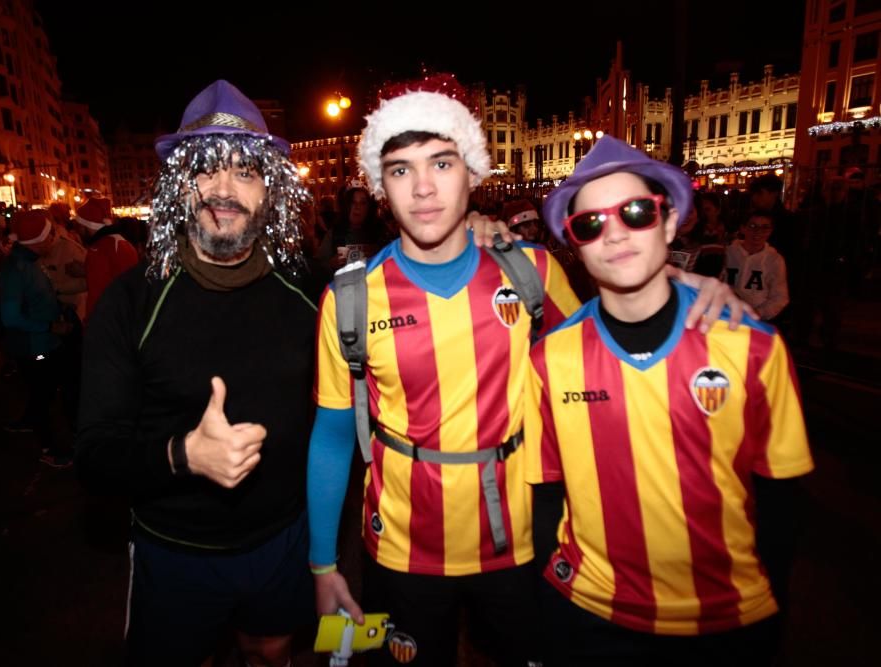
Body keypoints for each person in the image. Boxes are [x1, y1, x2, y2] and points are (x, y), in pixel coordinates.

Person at [307, 76, 747, 666]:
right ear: (380, 187)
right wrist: (322, 566)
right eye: (401, 170)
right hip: (399, 551)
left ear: (473, 172)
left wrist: (673, 284)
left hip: (524, 542)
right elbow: (333, 434)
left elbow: (614, 336)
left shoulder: (531, 272)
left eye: (442, 162)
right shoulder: (351, 298)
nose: (424, 188)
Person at [527, 136, 813, 665]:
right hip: (589, 617)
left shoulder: (753, 346)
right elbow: (545, 494)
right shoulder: (549, 359)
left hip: (727, 621)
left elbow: (781, 500)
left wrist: (771, 606)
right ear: (576, 245)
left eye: (635, 212)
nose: (613, 234)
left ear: (667, 220)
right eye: (590, 224)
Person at [76, 79, 316, 667]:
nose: (225, 190)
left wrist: (482, 239)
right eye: (206, 170)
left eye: (246, 172)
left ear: (271, 191)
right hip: (174, 551)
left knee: (272, 651)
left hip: (283, 539)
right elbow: (95, 454)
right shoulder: (131, 302)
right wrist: (184, 455)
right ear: (179, 186)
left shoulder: (308, 293)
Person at [0, 210, 76, 468]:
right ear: (39, 238)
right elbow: (10, 317)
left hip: (47, 343)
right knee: (42, 396)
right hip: (34, 348)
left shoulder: (32, 261)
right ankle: (48, 448)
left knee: (47, 392)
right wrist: (50, 325)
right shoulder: (16, 268)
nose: (55, 238)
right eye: (50, 233)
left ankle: (29, 424)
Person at [72, 197, 138, 319]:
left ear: (87, 225)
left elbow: (97, 293)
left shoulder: (99, 249)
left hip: (108, 320)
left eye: (79, 226)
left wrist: (90, 325)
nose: (77, 231)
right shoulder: (120, 242)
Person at [724, 212, 789, 323]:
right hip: (725, 315)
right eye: (753, 226)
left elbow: (780, 297)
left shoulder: (774, 260)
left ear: (770, 231)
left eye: (765, 227)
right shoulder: (727, 253)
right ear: (743, 228)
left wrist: (757, 313)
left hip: (757, 319)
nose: (758, 232)